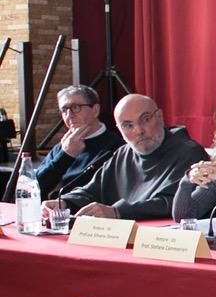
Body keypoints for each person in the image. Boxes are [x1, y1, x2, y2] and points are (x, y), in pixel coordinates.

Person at [42, 93, 207, 220]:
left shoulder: (189, 152)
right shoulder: (123, 153)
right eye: (128, 125)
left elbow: (172, 203)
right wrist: (64, 202)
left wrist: (117, 212)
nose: (139, 131)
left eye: (145, 119)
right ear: (119, 130)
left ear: (160, 116)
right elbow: (92, 191)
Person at [34, 84, 123, 197]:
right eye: (64, 110)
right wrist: (66, 155)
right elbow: (34, 189)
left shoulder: (116, 147)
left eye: (75, 107)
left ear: (95, 110)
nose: (69, 115)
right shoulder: (62, 147)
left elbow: (96, 191)